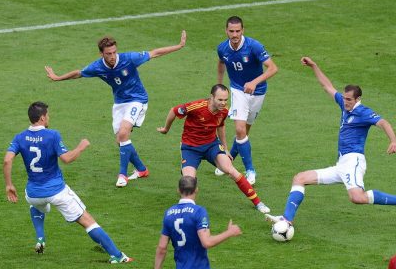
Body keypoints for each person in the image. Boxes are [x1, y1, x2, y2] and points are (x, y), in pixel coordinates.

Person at [265, 56, 396, 229]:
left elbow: (383, 123)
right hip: (341, 164)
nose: (345, 102)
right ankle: (287, 219)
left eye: (349, 99)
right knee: (300, 178)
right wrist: (314, 66)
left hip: (353, 161)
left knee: (357, 198)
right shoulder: (344, 104)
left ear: (358, 99)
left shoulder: (363, 112)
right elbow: (327, 86)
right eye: (344, 98)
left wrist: (393, 141)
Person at [45, 31, 186, 187]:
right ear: (101, 54)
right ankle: (141, 169)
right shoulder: (97, 67)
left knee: (124, 132)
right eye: (108, 53)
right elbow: (78, 73)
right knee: (120, 141)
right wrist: (58, 77)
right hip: (120, 103)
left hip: (137, 100)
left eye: (114, 52)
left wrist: (179, 46)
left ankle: (122, 175)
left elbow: (154, 53)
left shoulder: (129, 59)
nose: (112, 56)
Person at [3, 101, 133, 264]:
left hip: (33, 193)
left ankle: (40, 238)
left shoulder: (20, 137)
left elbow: (7, 160)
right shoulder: (52, 135)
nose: (49, 117)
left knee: (36, 205)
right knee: (87, 221)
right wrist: (81, 147)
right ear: (42, 118)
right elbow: (67, 159)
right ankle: (118, 256)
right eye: (47, 115)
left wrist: (9, 185)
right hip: (57, 192)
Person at [157, 84, 270, 214]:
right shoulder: (196, 106)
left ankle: (258, 203)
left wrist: (226, 149)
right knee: (189, 182)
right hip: (191, 148)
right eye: (220, 100)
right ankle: (188, 208)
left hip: (211, 145)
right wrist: (166, 129)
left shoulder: (224, 111)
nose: (223, 103)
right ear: (212, 97)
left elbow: (220, 126)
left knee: (231, 170)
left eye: (226, 100)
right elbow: (174, 111)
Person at [214, 15, 278, 185]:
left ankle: (228, 159)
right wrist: (219, 88)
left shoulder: (253, 46)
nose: (234, 35)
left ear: (243, 30)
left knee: (244, 132)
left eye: (237, 31)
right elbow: (221, 64)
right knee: (240, 129)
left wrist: (255, 82)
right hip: (238, 90)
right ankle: (250, 170)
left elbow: (273, 68)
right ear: (226, 31)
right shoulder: (222, 48)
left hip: (258, 91)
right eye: (231, 31)